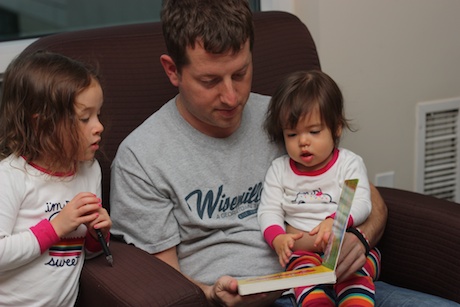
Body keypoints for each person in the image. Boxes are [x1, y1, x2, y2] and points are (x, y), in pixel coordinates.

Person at [110, 0, 459, 306]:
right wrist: (211, 296)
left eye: (241, 73)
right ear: (173, 70)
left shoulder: (285, 119)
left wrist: (359, 236)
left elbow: (368, 196)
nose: (232, 97)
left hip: (341, 284)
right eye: (210, 81)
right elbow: (161, 282)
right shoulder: (142, 158)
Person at [259, 70, 380, 306]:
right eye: (292, 134)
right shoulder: (279, 169)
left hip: (344, 248)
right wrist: (277, 238)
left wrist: (335, 221)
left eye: (314, 132)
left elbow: (363, 203)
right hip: (303, 256)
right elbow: (268, 211)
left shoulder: (349, 163)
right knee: (306, 283)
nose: (303, 141)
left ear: (336, 128)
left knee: (356, 273)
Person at [0, 50, 112, 306]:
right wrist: (56, 227)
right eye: (85, 118)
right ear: (42, 125)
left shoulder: (89, 170)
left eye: (98, 115)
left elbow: (82, 256)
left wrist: (98, 237)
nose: (98, 127)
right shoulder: (11, 177)